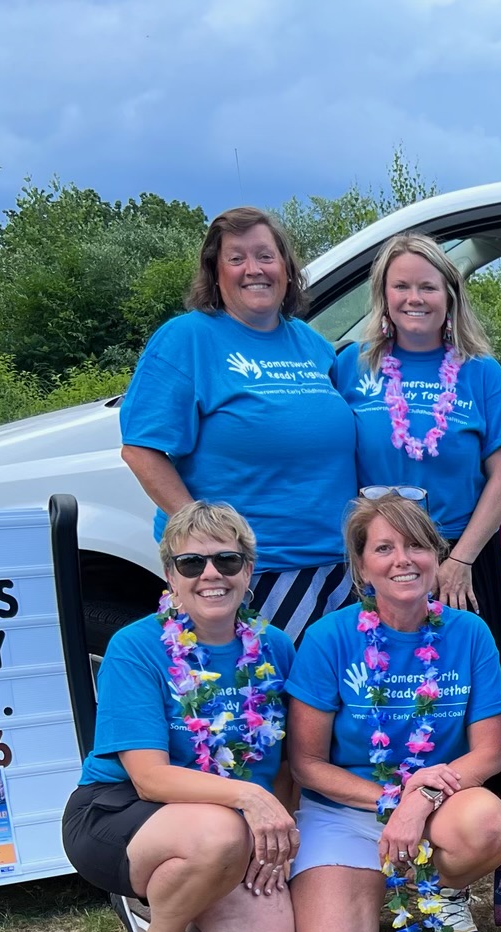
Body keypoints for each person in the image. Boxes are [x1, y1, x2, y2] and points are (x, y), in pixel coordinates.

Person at [60, 501, 298, 932]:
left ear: (248, 570)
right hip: (120, 812)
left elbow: (280, 762)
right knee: (220, 832)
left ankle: (179, 894)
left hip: (225, 823)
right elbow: (149, 778)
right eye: (192, 563)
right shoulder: (136, 646)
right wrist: (249, 800)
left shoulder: (275, 646)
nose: (211, 574)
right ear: (170, 575)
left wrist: (275, 839)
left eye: (227, 561)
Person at [286, 493, 501, 932]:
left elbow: (490, 753)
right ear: (362, 567)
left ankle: (446, 892)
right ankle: (377, 886)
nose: (403, 560)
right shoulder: (328, 638)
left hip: (439, 805)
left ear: (436, 556)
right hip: (345, 811)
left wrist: (420, 800)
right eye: (384, 549)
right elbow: (306, 763)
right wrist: (393, 798)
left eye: (416, 545)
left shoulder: (470, 633)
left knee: (489, 825)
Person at [120, 207, 358, 641]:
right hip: (242, 577)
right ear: (215, 272)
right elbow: (141, 449)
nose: (254, 270)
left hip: (336, 573)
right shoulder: (187, 339)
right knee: (255, 706)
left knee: (326, 706)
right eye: (237, 258)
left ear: (286, 268)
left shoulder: (311, 344)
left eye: (266, 256)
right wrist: (204, 537)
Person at [334, 234, 501, 698]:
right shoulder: (350, 366)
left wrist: (459, 562)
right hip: (379, 558)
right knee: (383, 689)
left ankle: (466, 773)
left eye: (428, 287)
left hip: (460, 553)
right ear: (383, 296)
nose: (414, 299)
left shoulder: (482, 373)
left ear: (450, 296)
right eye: (401, 287)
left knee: (462, 691)